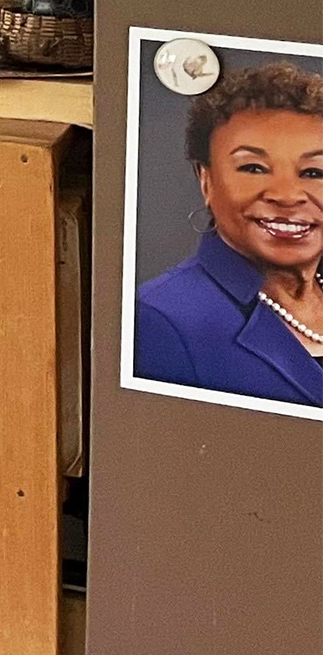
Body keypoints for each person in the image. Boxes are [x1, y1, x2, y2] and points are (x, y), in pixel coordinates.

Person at [133, 61, 323, 410]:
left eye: (314, 172)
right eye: (253, 168)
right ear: (206, 181)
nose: (287, 195)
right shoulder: (160, 320)